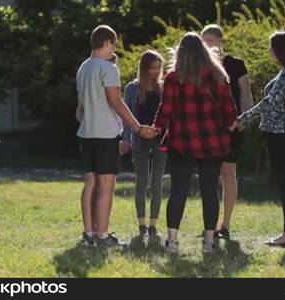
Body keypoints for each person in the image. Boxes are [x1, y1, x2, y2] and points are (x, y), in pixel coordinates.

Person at [153, 32, 237, 254]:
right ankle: (209, 241)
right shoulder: (218, 76)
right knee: (210, 190)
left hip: (182, 140)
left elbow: (166, 109)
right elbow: (229, 108)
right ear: (203, 50)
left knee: (178, 190)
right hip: (213, 141)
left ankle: (172, 241)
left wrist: (156, 127)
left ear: (180, 53)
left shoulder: (173, 78)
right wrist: (230, 124)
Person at [75, 25, 158, 247]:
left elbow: (79, 109)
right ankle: (102, 236)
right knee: (106, 184)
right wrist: (138, 128)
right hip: (105, 134)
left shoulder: (83, 68)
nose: (114, 50)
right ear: (108, 43)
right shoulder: (108, 68)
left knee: (90, 183)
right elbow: (116, 101)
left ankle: (89, 233)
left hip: (86, 133)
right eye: (114, 45)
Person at [230, 31, 285, 247]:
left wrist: (243, 119)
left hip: (280, 134)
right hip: (277, 132)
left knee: (284, 181)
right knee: (283, 180)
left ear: (281, 49)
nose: (269, 51)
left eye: (272, 47)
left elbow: (268, 103)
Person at [201, 24, 254, 239]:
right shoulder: (202, 66)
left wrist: (245, 119)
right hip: (207, 130)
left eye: (211, 40)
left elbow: (246, 93)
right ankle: (210, 224)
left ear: (220, 40)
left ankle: (226, 224)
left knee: (228, 174)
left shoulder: (236, 64)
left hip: (232, 127)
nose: (207, 45)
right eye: (204, 41)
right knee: (208, 175)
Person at [122, 50, 167, 237]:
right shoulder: (132, 89)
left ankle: (153, 224)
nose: (155, 72)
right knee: (141, 182)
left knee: (157, 182)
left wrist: (159, 130)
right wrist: (125, 138)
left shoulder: (164, 88)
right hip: (139, 139)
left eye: (158, 68)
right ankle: (141, 224)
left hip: (160, 139)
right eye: (151, 68)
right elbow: (127, 116)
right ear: (143, 68)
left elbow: (168, 113)